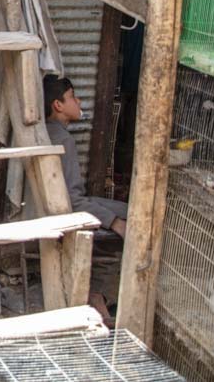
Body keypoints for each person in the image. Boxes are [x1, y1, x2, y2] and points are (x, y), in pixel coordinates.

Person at [44, 74, 128, 324]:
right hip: (64, 209)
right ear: (58, 105)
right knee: (129, 220)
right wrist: (113, 222)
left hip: (58, 204)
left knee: (127, 209)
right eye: (72, 97)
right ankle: (98, 293)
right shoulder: (63, 140)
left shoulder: (47, 132)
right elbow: (72, 199)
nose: (79, 101)